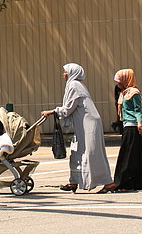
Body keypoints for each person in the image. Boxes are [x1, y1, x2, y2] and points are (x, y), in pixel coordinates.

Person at [41, 63, 115, 193]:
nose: (63, 74)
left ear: (72, 73)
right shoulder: (74, 85)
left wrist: (52, 112)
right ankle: (74, 181)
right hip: (83, 124)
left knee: (92, 153)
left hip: (88, 123)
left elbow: (68, 108)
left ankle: (108, 182)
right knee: (77, 151)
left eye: (66, 72)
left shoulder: (74, 85)